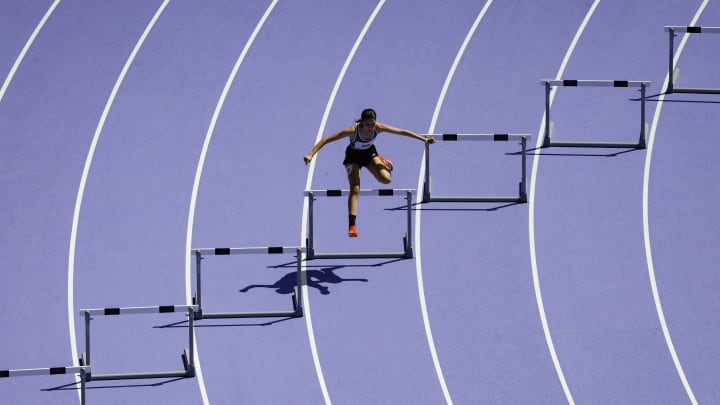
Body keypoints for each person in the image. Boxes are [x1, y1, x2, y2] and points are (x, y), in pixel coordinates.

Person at [303, 108, 433, 237]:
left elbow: (402, 132)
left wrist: (424, 139)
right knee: (355, 188)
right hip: (353, 158)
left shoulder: (378, 128)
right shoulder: (353, 131)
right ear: (362, 123)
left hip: (369, 154)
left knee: (387, 180)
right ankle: (352, 225)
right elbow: (326, 139)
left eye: (373, 124)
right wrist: (311, 154)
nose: (370, 127)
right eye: (367, 124)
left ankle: (381, 161)